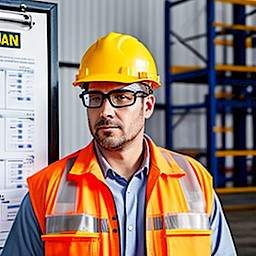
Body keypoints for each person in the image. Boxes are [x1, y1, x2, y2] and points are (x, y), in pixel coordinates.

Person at [2, 32, 236, 256]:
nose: (105, 111)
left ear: (148, 106)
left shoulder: (194, 181)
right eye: (96, 98)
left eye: (121, 97)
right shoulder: (47, 189)